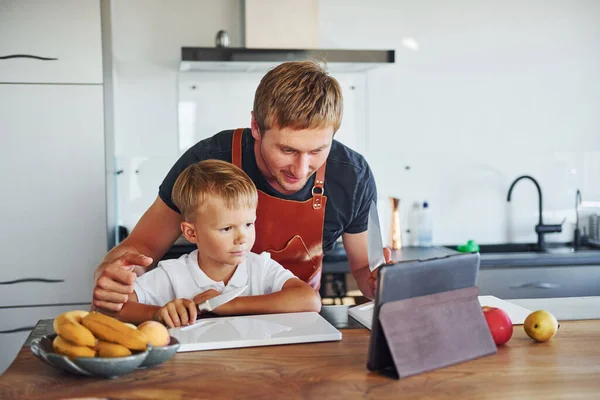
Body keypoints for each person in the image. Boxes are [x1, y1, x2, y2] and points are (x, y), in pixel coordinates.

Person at [93, 60, 391, 313]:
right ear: (256, 127)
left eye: (317, 151)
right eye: (287, 150)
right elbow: (141, 248)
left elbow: (365, 271)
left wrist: (380, 283)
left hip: (295, 327)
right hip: (203, 326)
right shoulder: (208, 161)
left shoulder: (352, 176)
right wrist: (118, 274)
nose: (301, 169)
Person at [118, 159, 321, 328]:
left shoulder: (261, 267)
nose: (242, 238)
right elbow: (118, 308)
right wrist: (159, 313)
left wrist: (228, 304)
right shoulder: (172, 274)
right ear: (191, 233)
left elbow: (309, 299)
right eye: (226, 229)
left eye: (249, 224)